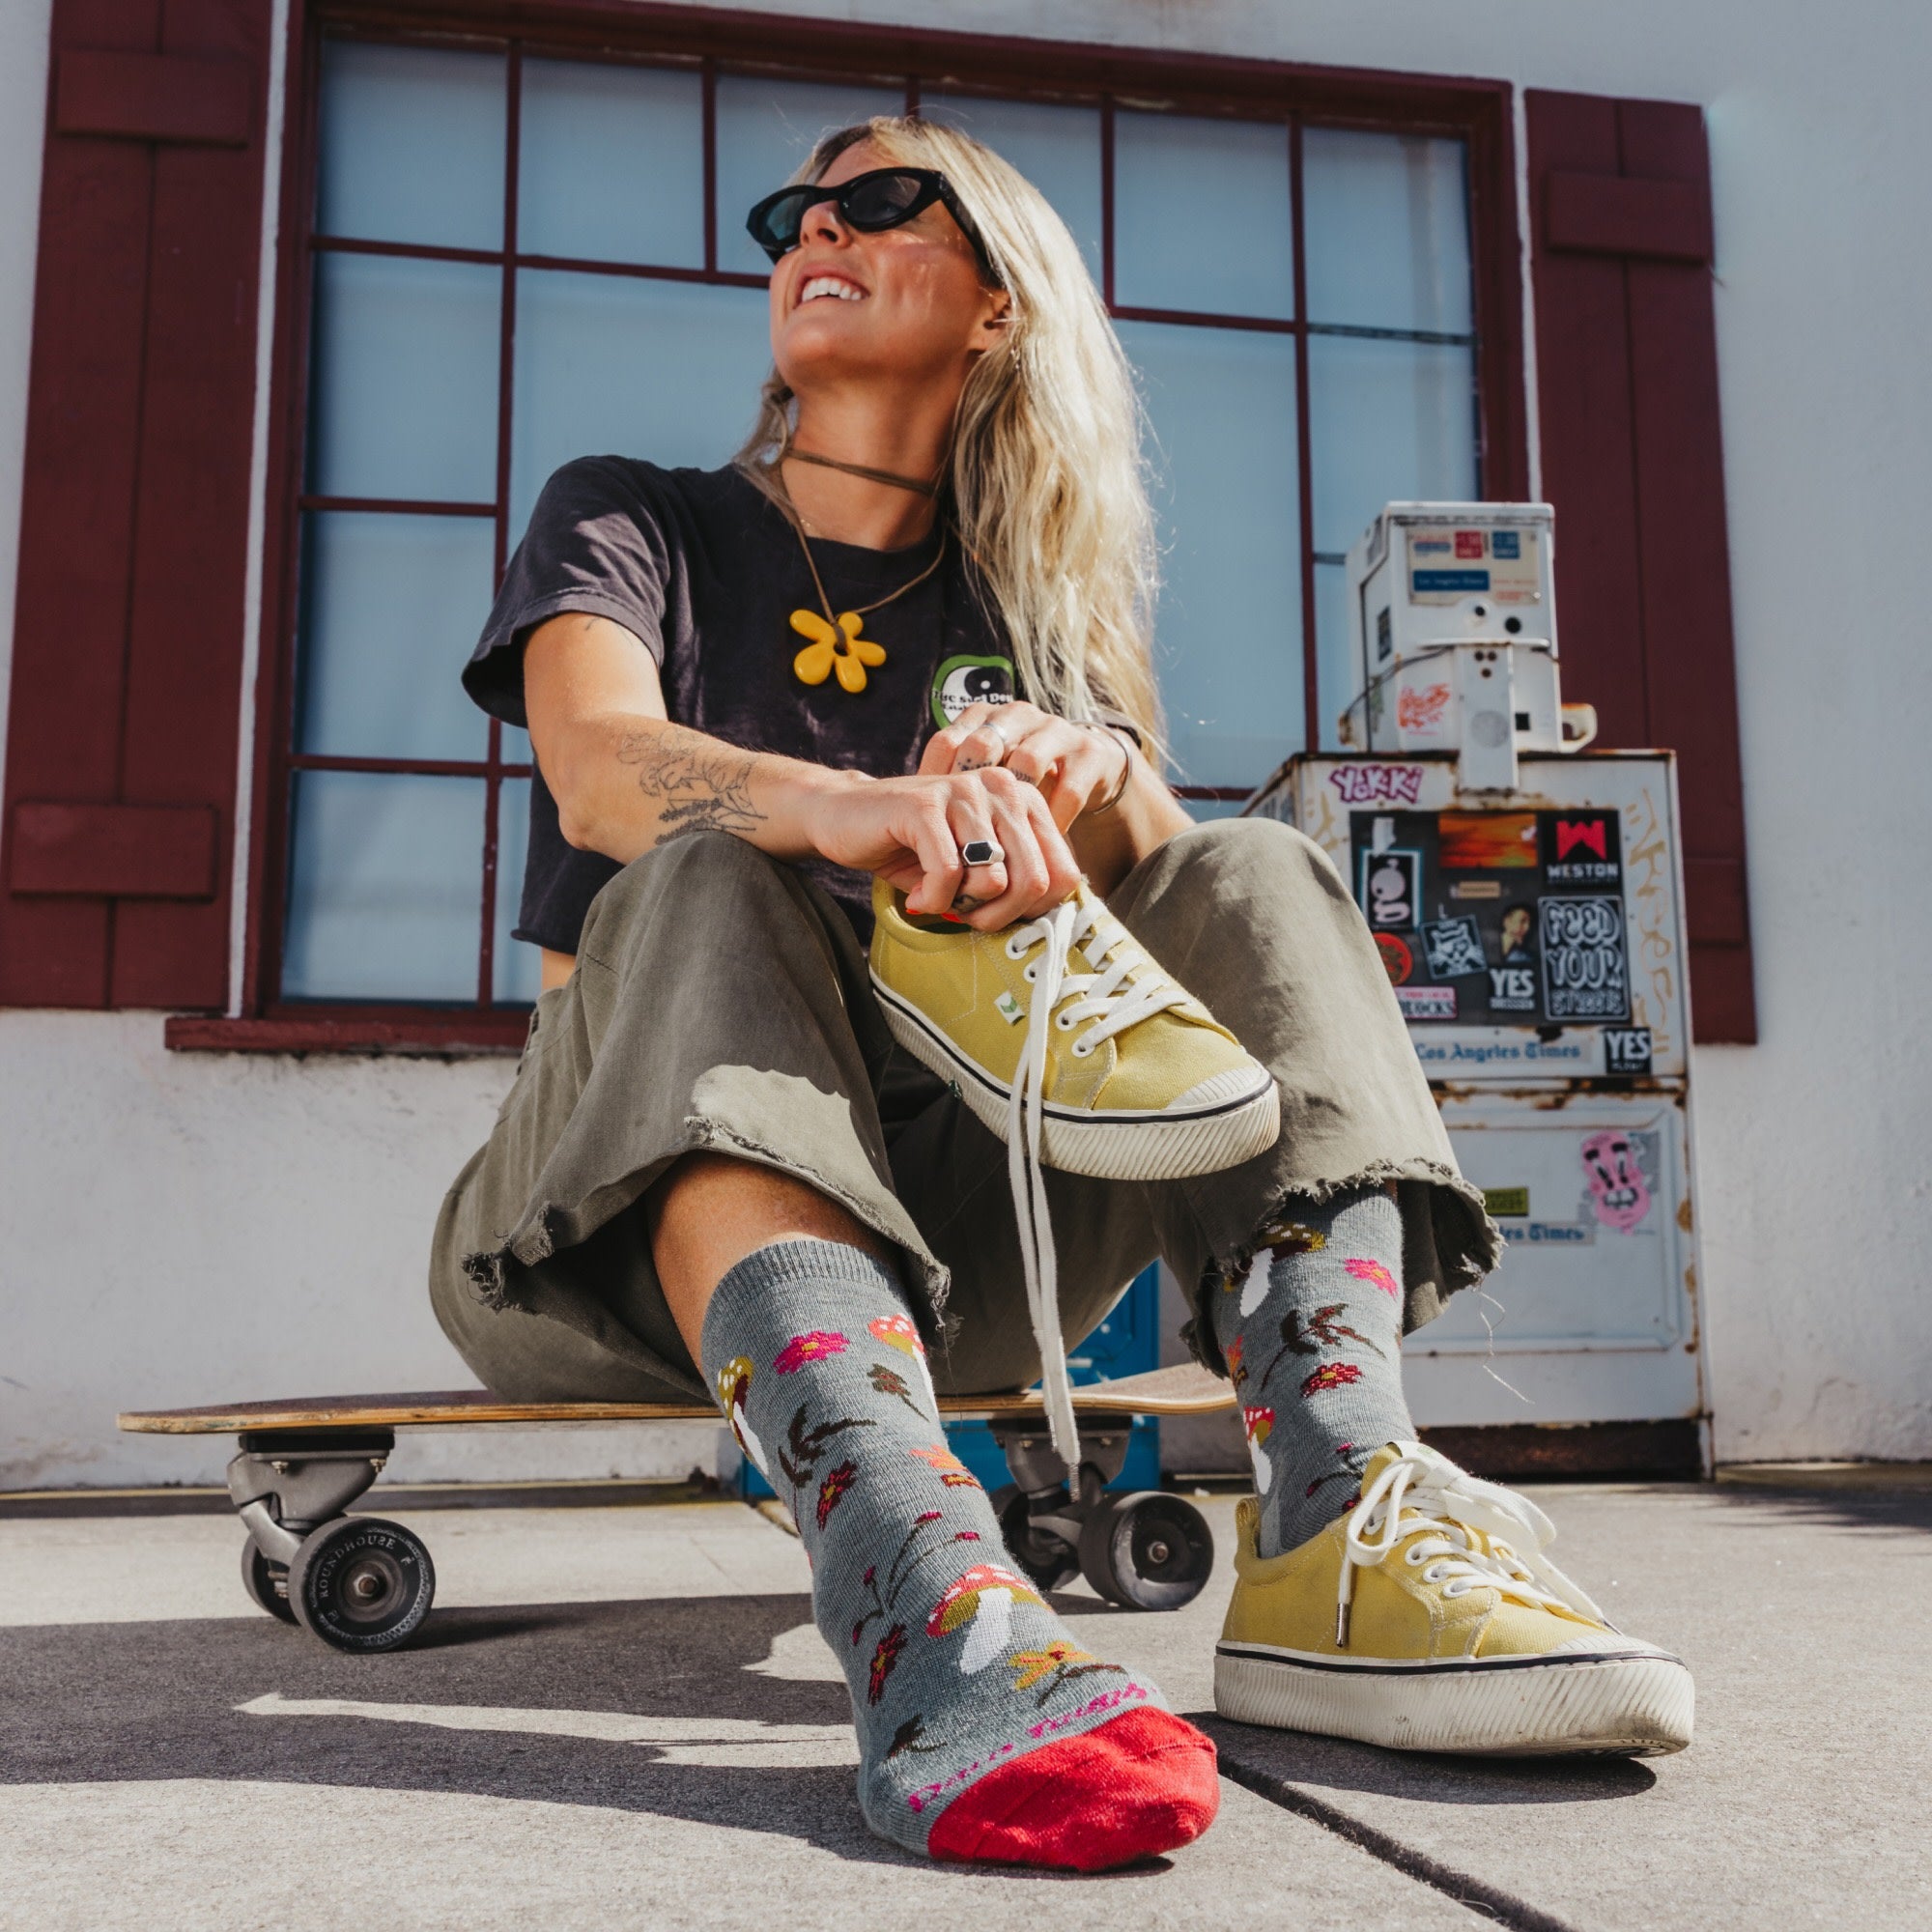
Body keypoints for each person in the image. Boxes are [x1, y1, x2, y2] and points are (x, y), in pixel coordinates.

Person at [434, 117, 1692, 1874]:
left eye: (882, 201)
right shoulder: (635, 516)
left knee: (1256, 864)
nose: (817, 226)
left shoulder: (1029, 609)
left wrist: (1105, 779)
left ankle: (1339, 1509)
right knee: (709, 870)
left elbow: (1196, 936)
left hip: (974, 1248)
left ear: (1003, 302)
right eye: (795, 210)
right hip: (610, 1224)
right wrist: (862, 811)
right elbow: (596, 767)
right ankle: (902, 1564)